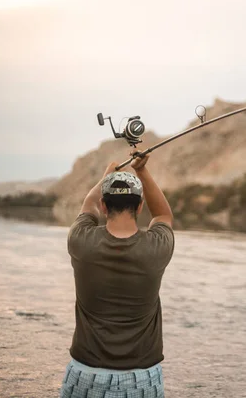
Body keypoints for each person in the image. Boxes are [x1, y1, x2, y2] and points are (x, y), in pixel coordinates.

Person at [59, 152, 174, 398]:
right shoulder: (157, 247)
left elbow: (86, 206)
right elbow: (163, 215)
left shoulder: (81, 241)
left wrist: (107, 176)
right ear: (140, 206)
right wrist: (142, 171)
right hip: (142, 378)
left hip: (85, 374)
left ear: (104, 205)